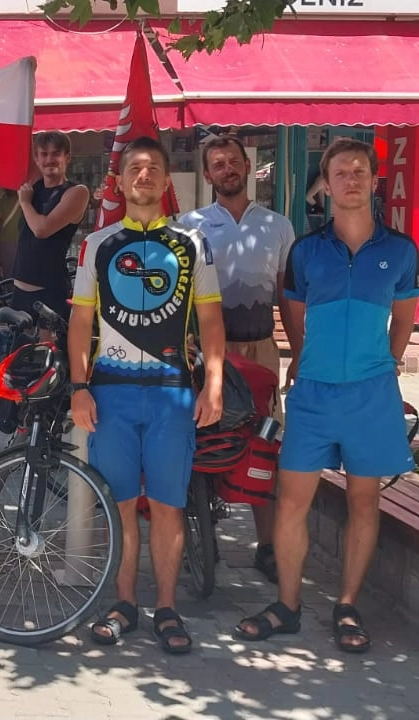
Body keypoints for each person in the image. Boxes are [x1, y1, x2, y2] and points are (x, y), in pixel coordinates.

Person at [234, 138, 419, 654]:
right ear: (327, 184)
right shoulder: (306, 251)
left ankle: (347, 605)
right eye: (341, 172)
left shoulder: (401, 251)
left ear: (374, 180)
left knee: (364, 500)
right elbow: (294, 317)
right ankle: (287, 605)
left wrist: (383, 365)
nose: (351, 179)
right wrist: (304, 362)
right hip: (313, 394)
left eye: (360, 171)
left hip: (370, 396)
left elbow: (404, 319)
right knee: (292, 500)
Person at [68, 136, 224, 655]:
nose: (144, 175)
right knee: (120, 506)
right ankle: (124, 604)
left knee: (167, 506)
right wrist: (79, 387)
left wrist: (213, 384)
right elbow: (81, 321)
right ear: (119, 180)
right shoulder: (98, 244)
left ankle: (167, 608)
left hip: (171, 393)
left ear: (166, 180)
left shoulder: (193, 242)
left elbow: (210, 318)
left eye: (153, 167)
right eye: (134, 167)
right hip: (111, 392)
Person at [179, 135, 298, 583]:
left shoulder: (278, 225)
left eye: (233, 161)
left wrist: (299, 353)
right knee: (202, 442)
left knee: (265, 447)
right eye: (218, 163)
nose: (227, 169)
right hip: (207, 352)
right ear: (207, 174)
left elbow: (287, 296)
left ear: (248, 166)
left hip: (260, 349)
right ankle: (201, 535)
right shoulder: (189, 225)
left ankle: (267, 546)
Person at [11, 131, 90, 321]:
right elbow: (18, 148)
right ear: (37, 159)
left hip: (49, 292)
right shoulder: (34, 187)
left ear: (67, 157)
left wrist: (25, 204)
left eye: (56, 154)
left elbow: (42, 230)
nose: (49, 160)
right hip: (19, 291)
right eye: (44, 154)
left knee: (46, 342)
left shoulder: (76, 192)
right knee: (17, 341)